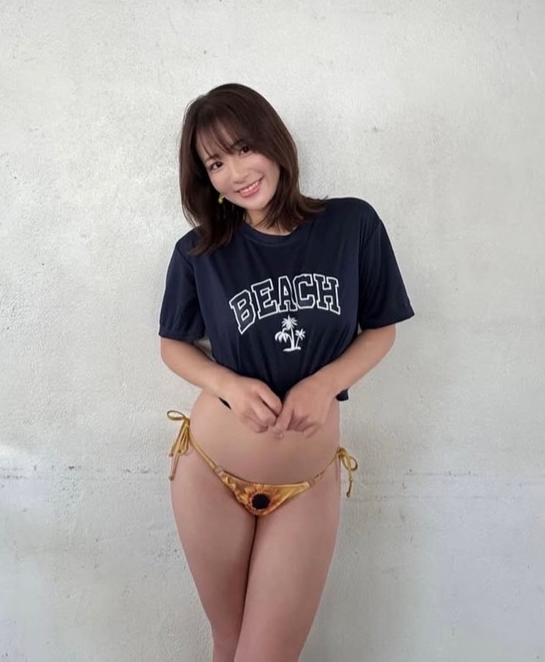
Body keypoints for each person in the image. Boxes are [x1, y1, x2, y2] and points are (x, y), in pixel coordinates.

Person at [159, 83, 414, 662]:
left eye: (243, 148)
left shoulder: (351, 225)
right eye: (215, 164)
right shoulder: (199, 252)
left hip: (306, 482)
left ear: (273, 142)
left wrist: (324, 384)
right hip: (210, 472)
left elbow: (382, 328)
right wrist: (226, 384)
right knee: (229, 643)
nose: (236, 173)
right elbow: (173, 345)